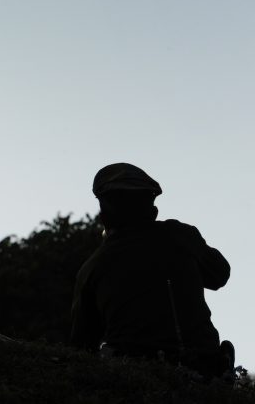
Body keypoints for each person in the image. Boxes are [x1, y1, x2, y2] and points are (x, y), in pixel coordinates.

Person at [71, 162, 234, 379]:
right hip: (205, 371)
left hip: (134, 377)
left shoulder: (92, 267)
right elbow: (219, 274)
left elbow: (81, 345)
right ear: (152, 208)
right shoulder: (180, 235)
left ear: (105, 215)